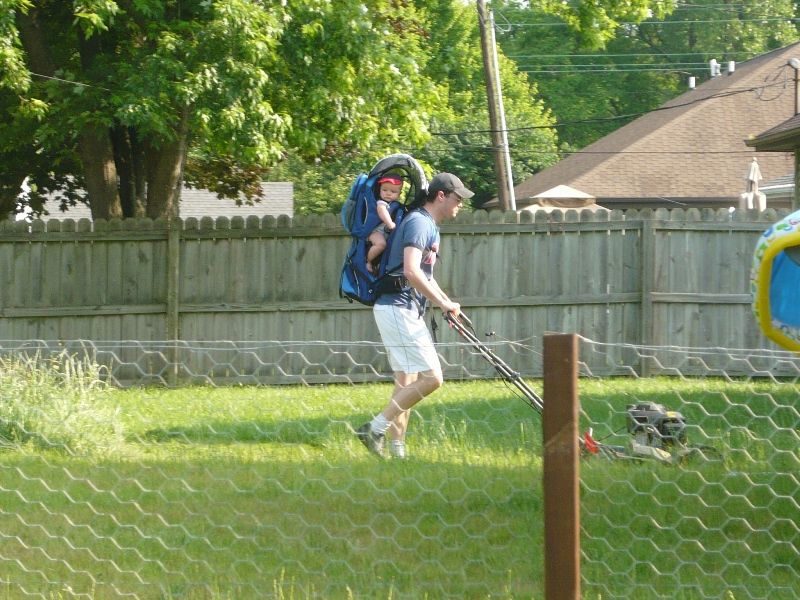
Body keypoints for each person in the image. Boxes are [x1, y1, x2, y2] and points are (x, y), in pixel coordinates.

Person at [355, 172, 475, 459]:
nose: (461, 204)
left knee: (406, 382)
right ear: (441, 196)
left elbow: (425, 275)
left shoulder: (428, 225)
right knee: (433, 378)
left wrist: (447, 303)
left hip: (401, 308)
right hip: (398, 307)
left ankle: (398, 450)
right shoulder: (420, 223)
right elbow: (410, 270)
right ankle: (374, 428)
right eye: (458, 198)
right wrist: (441, 303)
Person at [365, 175, 403, 274]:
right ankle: (367, 261)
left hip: (385, 233)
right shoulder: (381, 202)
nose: (388, 193)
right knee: (381, 244)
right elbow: (382, 211)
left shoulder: (396, 205)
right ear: (380, 190)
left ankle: (376, 265)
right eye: (384, 190)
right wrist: (390, 223)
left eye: (393, 191)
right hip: (375, 232)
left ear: (399, 194)